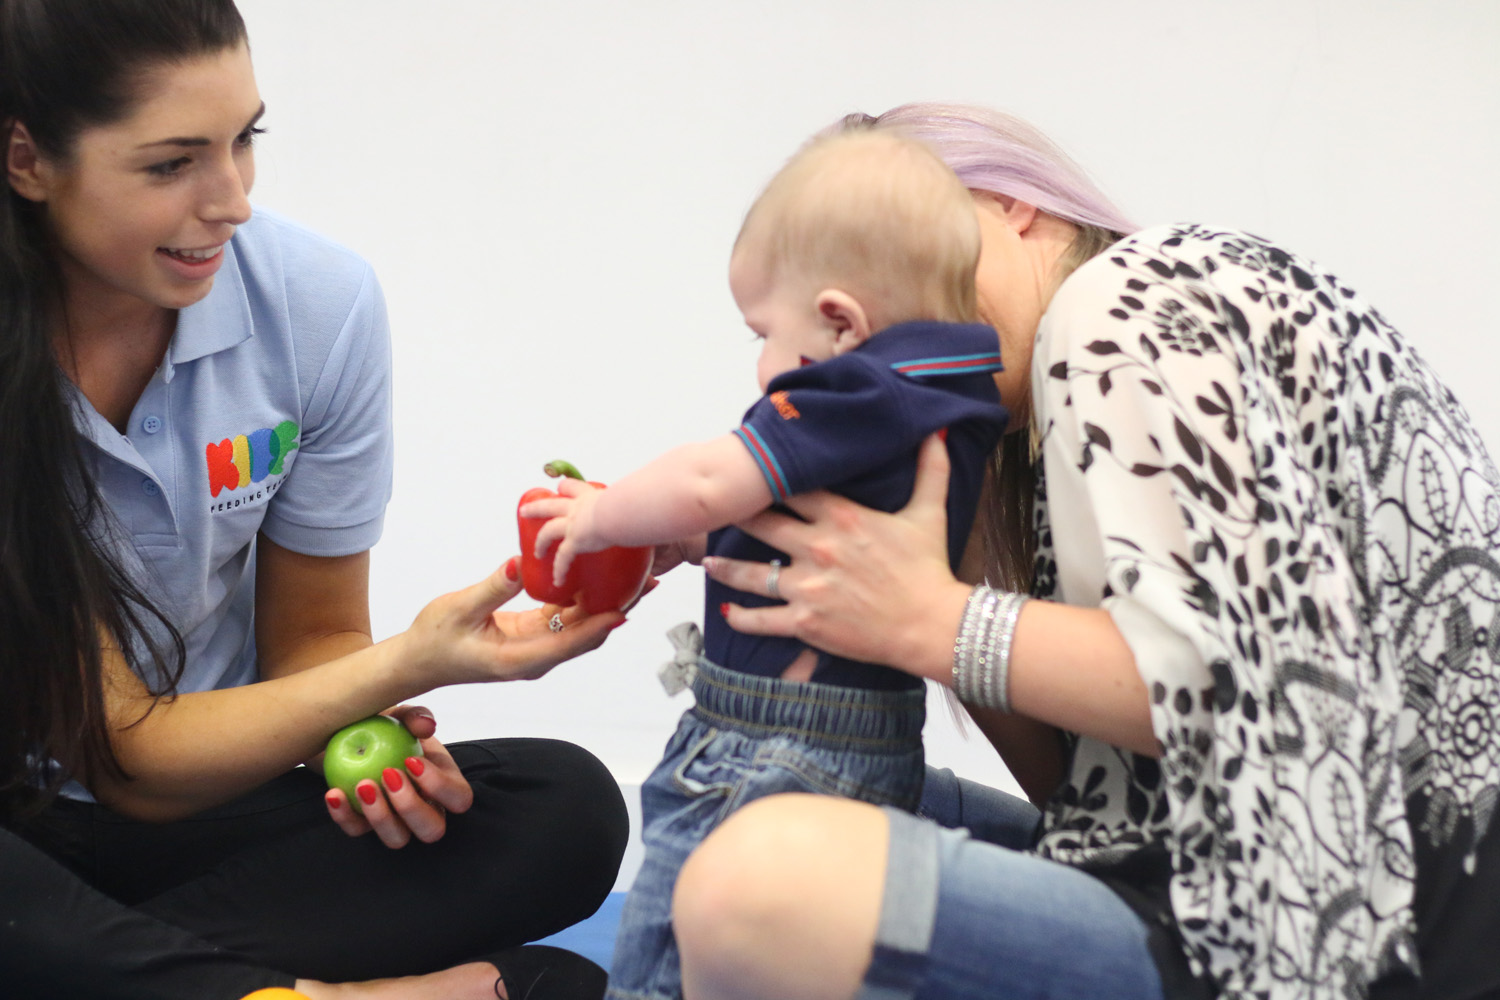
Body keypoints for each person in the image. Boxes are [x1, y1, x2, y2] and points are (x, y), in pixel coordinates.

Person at [669, 103, 1500, 1000]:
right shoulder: (1038, 426)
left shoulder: (1127, 297)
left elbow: (1255, 700)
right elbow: (1086, 799)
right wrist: (893, 579)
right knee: (788, 799)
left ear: (1011, 205)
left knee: (755, 881)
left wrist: (929, 617)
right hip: (1222, 879)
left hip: (1348, 931)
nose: (869, 331)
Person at [0, 2, 628, 998]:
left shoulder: (317, 304)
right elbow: (126, 753)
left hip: (211, 807)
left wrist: (363, 746)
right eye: (171, 164)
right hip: (27, 824)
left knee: (566, 808)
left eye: (244, 139)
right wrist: (418, 657)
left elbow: (317, 637)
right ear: (26, 160)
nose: (233, 199)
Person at [521, 128, 1009, 1000]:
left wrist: (604, 512)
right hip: (872, 737)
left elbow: (711, 477)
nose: (759, 365)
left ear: (838, 322)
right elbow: (814, 539)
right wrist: (695, 544)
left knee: (665, 958)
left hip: (770, 743)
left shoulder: (855, 387)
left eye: (762, 332)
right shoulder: (944, 394)